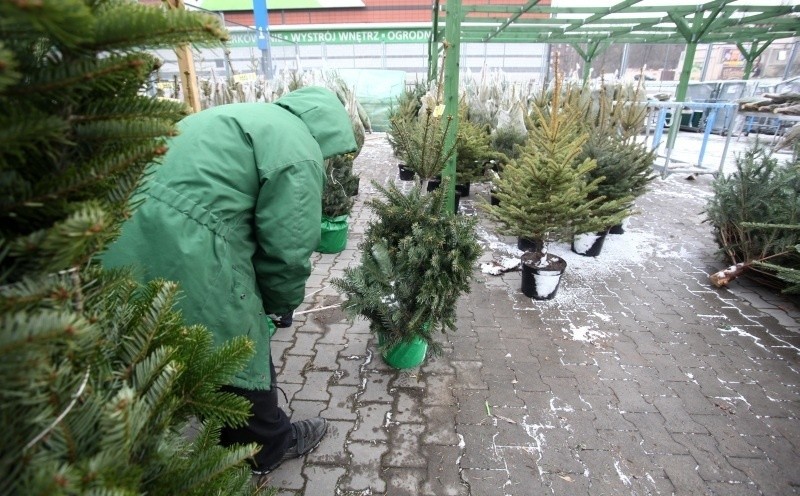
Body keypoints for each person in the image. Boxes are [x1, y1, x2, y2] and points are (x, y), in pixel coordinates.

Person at [102, 86, 357, 473]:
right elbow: (287, 247)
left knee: (139, 335)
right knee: (234, 339)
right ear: (329, 130)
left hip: (120, 230)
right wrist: (277, 305)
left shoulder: (238, 115)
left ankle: (135, 430)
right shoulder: (298, 148)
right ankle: (265, 447)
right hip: (188, 244)